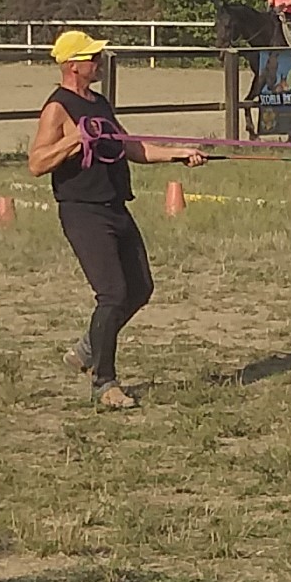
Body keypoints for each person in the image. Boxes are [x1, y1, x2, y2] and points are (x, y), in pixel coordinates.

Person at [27, 29, 206, 410]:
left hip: (114, 205)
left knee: (140, 287)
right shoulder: (57, 107)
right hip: (82, 210)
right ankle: (104, 382)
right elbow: (36, 163)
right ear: (72, 65)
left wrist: (178, 153)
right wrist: (72, 140)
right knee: (112, 294)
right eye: (92, 57)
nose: (99, 62)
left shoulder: (100, 103)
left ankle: (88, 348)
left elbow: (130, 147)